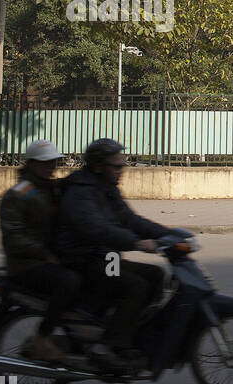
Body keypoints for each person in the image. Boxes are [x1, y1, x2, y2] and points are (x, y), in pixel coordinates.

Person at [55, 139, 170, 358]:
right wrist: (135, 242)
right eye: (117, 166)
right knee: (135, 286)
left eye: (123, 165)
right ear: (99, 166)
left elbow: (130, 219)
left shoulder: (107, 188)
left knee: (155, 275)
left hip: (104, 257)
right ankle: (110, 344)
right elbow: (97, 228)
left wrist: (168, 233)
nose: (122, 170)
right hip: (82, 260)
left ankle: (123, 327)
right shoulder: (81, 192)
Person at [0, 140, 81, 364]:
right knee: (69, 281)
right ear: (32, 164)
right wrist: (43, 253)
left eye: (53, 161)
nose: (51, 166)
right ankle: (42, 337)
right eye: (45, 162)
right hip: (26, 265)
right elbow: (14, 237)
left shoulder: (49, 187)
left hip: (49, 258)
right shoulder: (19, 194)